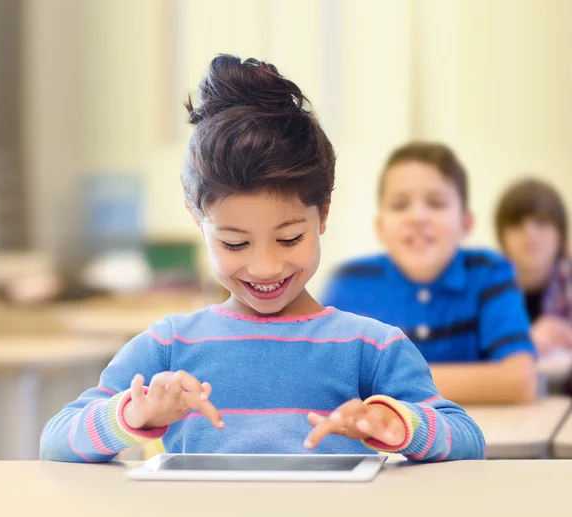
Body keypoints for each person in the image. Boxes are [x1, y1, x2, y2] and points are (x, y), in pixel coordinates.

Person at [40, 56, 484, 463]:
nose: (265, 267)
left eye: (289, 238)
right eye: (235, 244)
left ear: (323, 213)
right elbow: (56, 440)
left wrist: (398, 424)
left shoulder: (371, 348)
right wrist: (132, 414)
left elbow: (467, 438)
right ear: (198, 220)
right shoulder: (170, 345)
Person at [322, 142, 537, 405]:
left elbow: (519, 382)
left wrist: (380, 380)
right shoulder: (349, 282)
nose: (418, 216)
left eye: (436, 203)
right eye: (400, 205)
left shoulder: (490, 273)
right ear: (380, 227)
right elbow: (324, 383)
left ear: (465, 223)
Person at [495, 178, 572, 355]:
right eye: (516, 224)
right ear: (502, 238)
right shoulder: (489, 280)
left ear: (560, 233)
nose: (530, 233)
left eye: (542, 222)